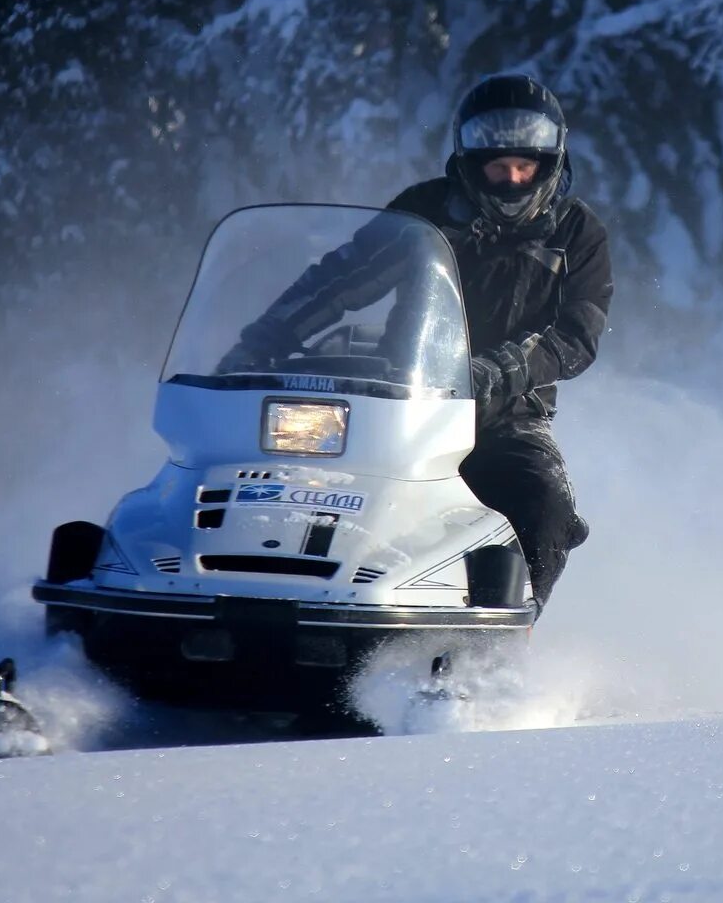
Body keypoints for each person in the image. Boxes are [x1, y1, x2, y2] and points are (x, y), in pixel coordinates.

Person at [222, 74, 612, 613]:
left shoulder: (576, 232)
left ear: (550, 164)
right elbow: (344, 280)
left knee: (547, 506)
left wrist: (498, 370)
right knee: (287, 472)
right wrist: (262, 340)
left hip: (508, 415)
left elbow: (578, 335)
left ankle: (497, 652)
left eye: (526, 167)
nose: (512, 180)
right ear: (471, 161)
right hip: (403, 402)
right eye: (499, 167)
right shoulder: (425, 211)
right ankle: (260, 591)